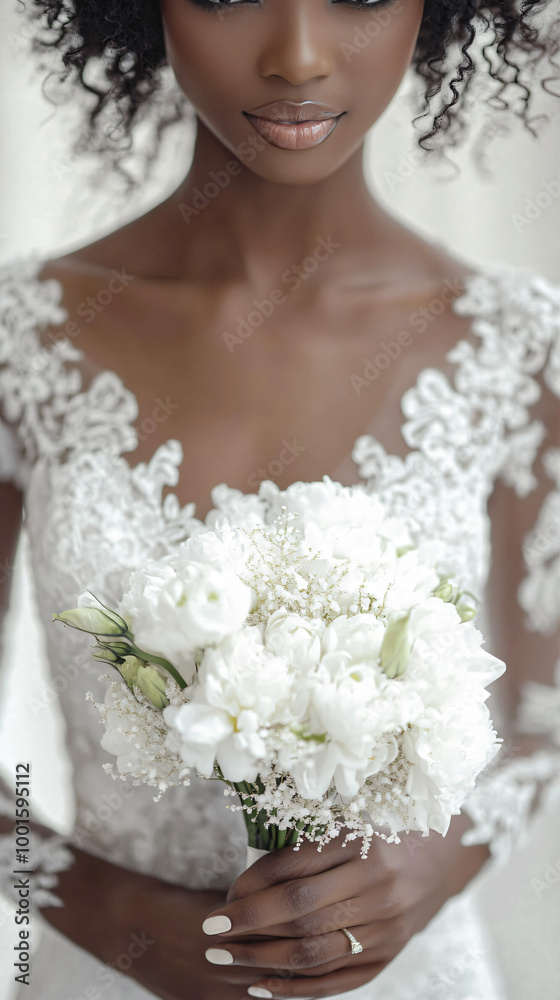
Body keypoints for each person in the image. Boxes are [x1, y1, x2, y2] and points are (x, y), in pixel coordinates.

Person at [1, 1, 560, 998]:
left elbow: (539, 715)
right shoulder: (25, 338)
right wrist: (100, 905)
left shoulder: (519, 346)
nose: (296, 56)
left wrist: (433, 863)